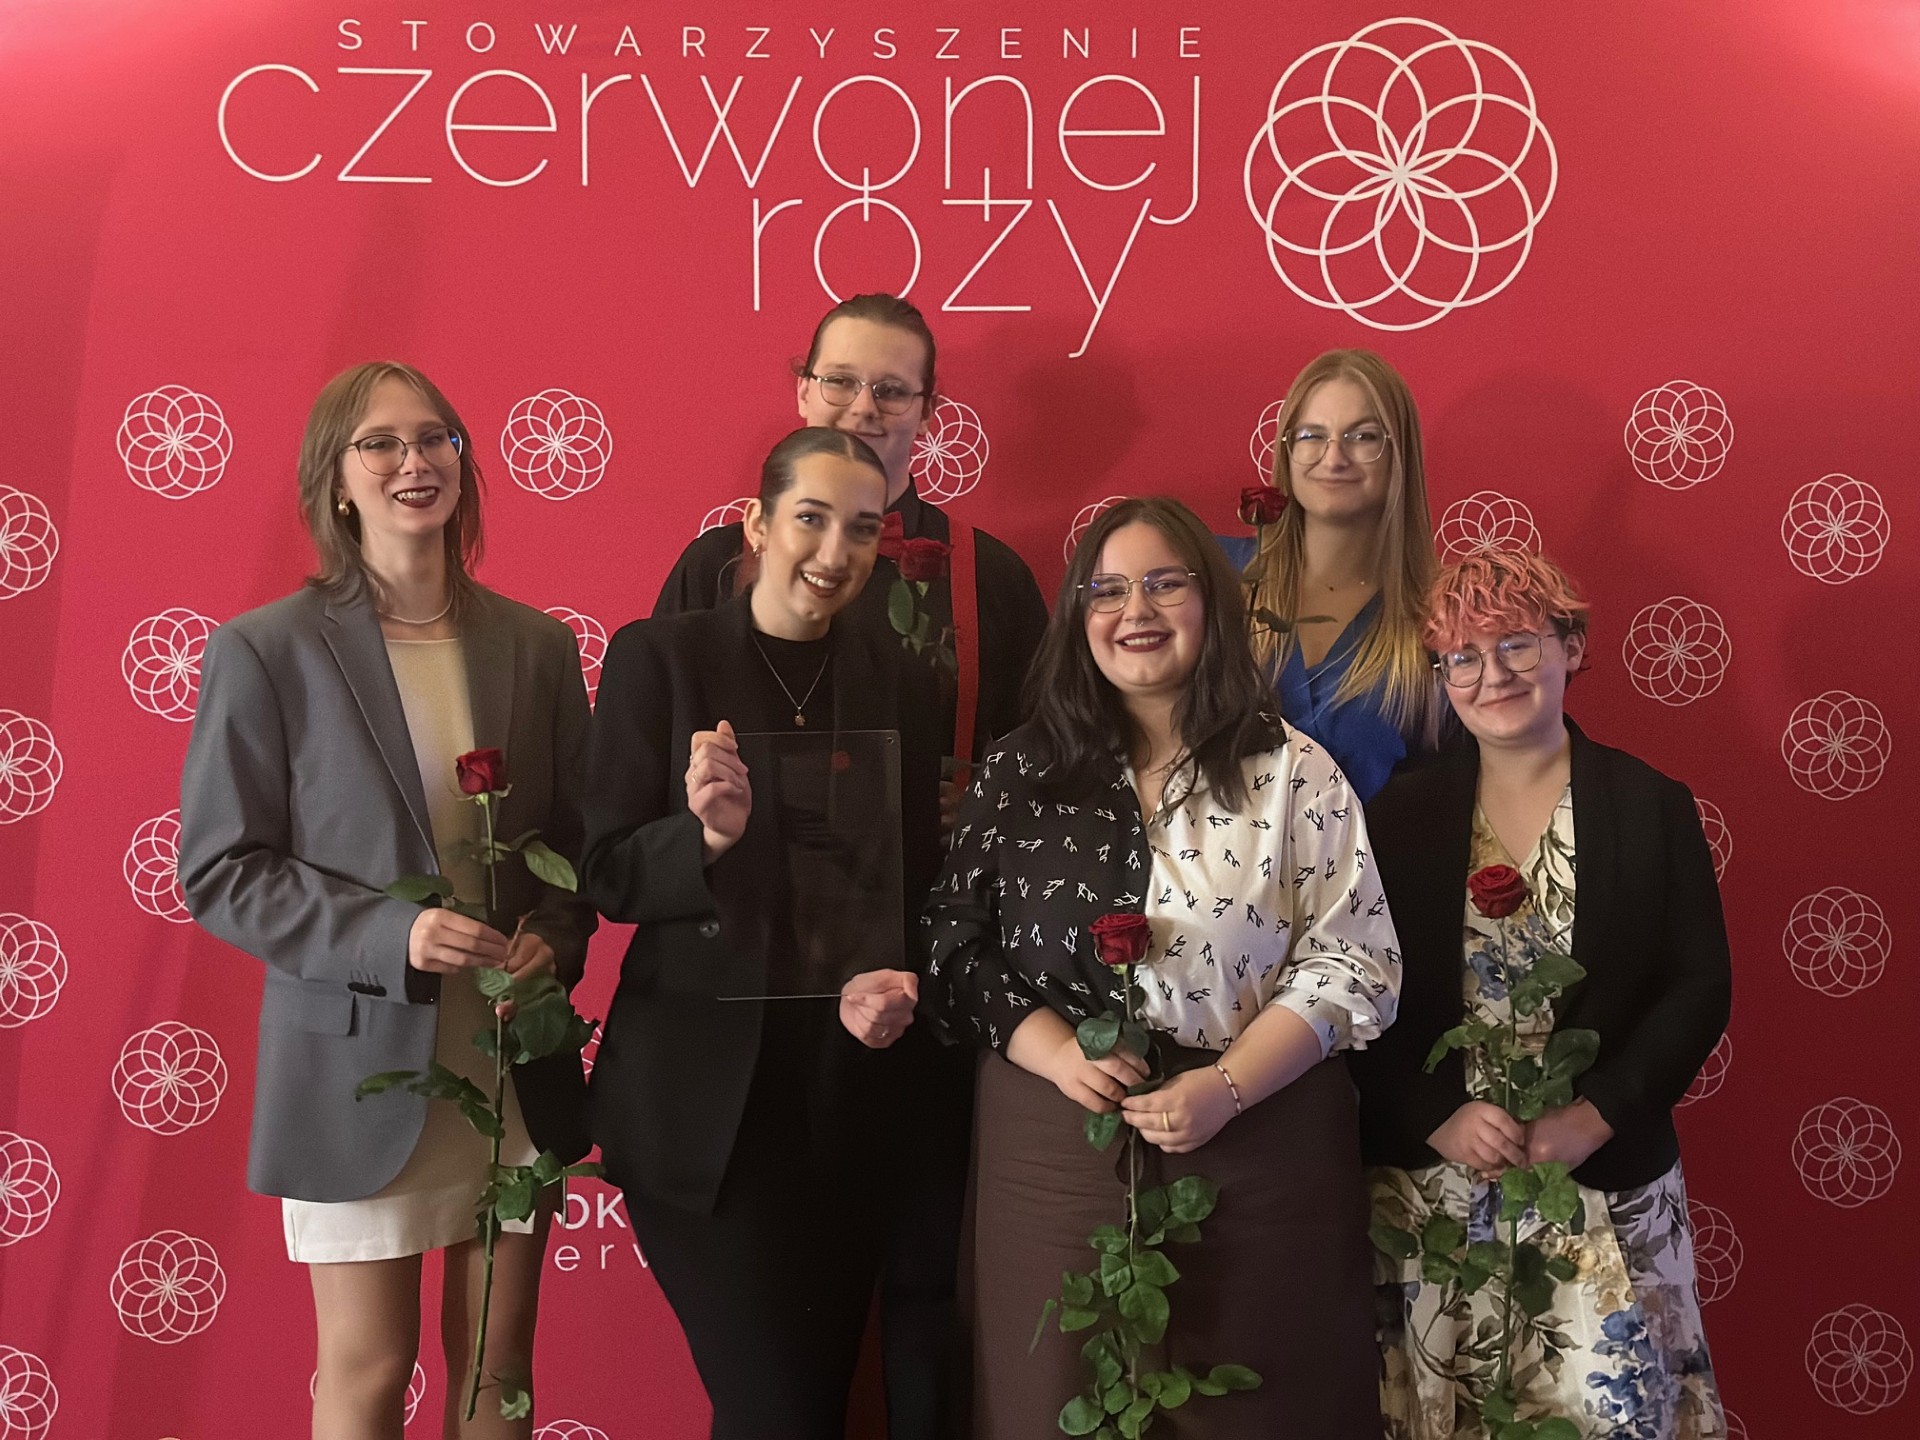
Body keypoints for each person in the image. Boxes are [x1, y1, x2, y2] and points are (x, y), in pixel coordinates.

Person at [178, 361, 597, 1439]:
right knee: (368, 1369)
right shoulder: (265, 650)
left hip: (507, 1061)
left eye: (436, 438)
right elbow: (221, 870)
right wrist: (393, 933)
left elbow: (575, 848)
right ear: (336, 478)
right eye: (381, 443)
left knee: (498, 1367)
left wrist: (553, 937)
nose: (415, 461)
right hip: (356, 1069)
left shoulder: (538, 647)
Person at [922, 496, 1400, 1438]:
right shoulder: (1019, 771)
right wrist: (1058, 1053)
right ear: (1078, 617)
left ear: (1212, 603)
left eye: (1163, 584)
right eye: (1106, 590)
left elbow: (1354, 958)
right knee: (1051, 1401)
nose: (1134, 610)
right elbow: (952, 941)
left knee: (1260, 1406)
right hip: (1054, 1145)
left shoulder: (1294, 771)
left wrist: (1228, 1085)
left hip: (1260, 1140)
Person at [652, 293, 1044, 1435]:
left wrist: (980, 800)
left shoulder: (989, 576)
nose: (863, 406)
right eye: (840, 380)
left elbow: (1046, 764)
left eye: (891, 388)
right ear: (802, 388)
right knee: (777, 1341)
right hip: (753, 1005)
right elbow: (653, 787)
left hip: (926, 975)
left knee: (927, 1286)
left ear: (930, 410)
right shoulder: (708, 570)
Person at [580, 427, 942, 1439]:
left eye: (862, 529)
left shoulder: (902, 680)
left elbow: (911, 885)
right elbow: (605, 871)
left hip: (846, 1102)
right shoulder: (660, 658)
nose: (834, 551)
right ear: (757, 523)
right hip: (701, 1117)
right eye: (810, 519)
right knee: (776, 1408)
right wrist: (701, 837)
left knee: (803, 1411)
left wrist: (893, 981)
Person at [1353, 550, 1730, 1439]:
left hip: (1602, 1177)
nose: (1493, 676)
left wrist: (1599, 1114)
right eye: (1463, 658)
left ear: (1571, 647)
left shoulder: (1651, 804)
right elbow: (1356, 989)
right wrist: (1435, 1114)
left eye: (1516, 645)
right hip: (1436, 1193)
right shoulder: (1392, 815)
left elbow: (1699, 985)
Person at [1221, 349, 1445, 801]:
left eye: (1363, 436)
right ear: (1287, 450)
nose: (1334, 457)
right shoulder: (1214, 577)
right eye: (1312, 435)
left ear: (1399, 452)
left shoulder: (1438, 618)